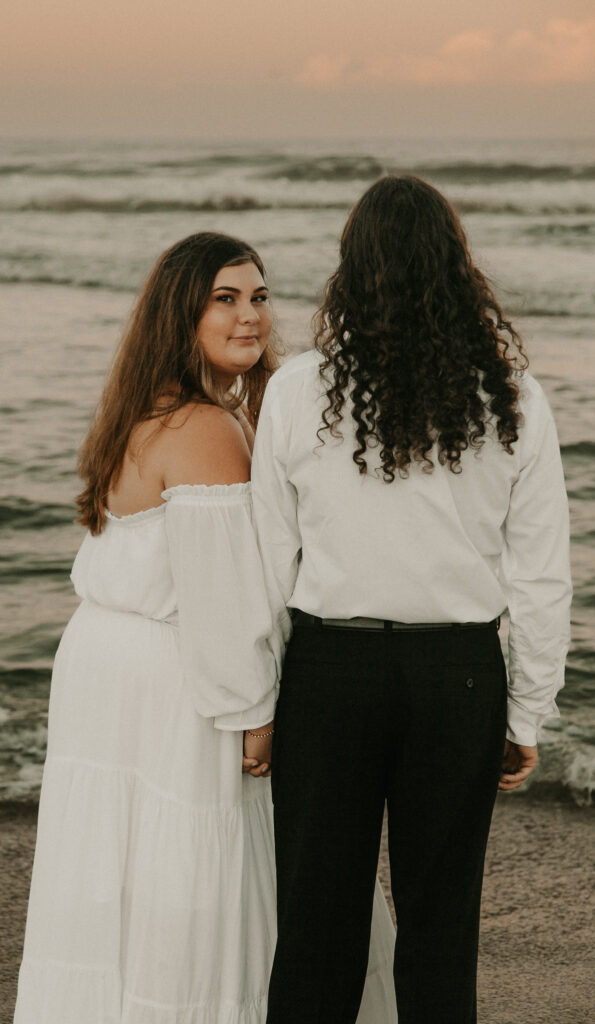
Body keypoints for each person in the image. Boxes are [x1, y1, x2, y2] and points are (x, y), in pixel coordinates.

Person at [14, 231, 397, 1024]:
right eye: (223, 298)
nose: (249, 315)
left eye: (257, 295)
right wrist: (254, 712)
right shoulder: (205, 429)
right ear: (178, 313)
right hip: (177, 676)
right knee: (202, 874)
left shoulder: (143, 409)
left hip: (105, 661)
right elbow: (227, 604)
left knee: (124, 877)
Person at [251, 177, 572, 1024]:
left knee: (315, 930)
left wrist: (255, 700)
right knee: (440, 931)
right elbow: (541, 573)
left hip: (328, 672)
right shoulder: (512, 398)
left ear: (350, 271)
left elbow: (266, 564)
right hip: (456, 679)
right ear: (456, 267)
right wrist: (527, 711)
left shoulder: (296, 389)